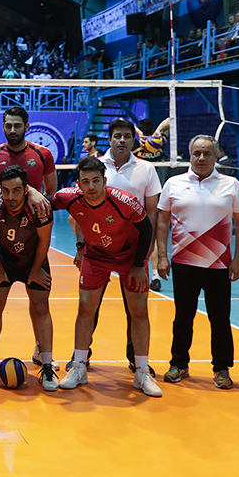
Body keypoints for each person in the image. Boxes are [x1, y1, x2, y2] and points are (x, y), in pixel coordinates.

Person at [48, 156, 162, 397]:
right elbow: (45, 202)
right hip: (96, 256)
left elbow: (146, 229)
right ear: (78, 183)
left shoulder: (125, 201)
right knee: (85, 308)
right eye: (85, 181)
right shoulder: (69, 197)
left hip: (129, 257)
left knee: (139, 311)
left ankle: (142, 372)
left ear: (104, 181)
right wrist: (30, 191)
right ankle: (79, 366)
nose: (91, 186)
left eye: (96, 181)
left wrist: (139, 265)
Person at [155, 135, 239, 389]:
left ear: (216, 155)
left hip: (219, 266)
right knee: (182, 317)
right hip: (183, 263)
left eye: (207, 153)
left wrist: (238, 260)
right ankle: (179, 364)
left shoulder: (231, 185)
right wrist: (162, 256)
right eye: (196, 153)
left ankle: (222, 368)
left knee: (220, 319)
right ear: (190, 154)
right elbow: (162, 221)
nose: (201, 158)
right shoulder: (173, 183)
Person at [70, 117, 162, 372]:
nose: (122, 140)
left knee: (136, 309)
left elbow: (152, 212)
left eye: (127, 136)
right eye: (117, 136)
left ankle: (137, 360)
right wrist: (80, 246)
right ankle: (81, 356)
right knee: (89, 306)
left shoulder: (146, 169)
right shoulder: (95, 167)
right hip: (97, 249)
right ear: (109, 139)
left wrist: (149, 251)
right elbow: (78, 209)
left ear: (134, 140)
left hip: (132, 250)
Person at [0, 106, 57, 365]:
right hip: (1, 237)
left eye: (17, 125)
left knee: (39, 302)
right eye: (8, 125)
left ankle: (41, 349)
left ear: (26, 126)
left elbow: (50, 195)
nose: (12, 130)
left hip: (31, 235)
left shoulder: (42, 154)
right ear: (3, 127)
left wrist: (33, 191)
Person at [0, 165, 57, 390]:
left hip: (33, 258)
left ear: (26, 189)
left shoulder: (40, 207)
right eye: (6, 190)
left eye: (16, 190)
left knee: (41, 307)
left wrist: (36, 270)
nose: (10, 196)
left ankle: (47, 365)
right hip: (4, 259)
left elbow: (44, 240)